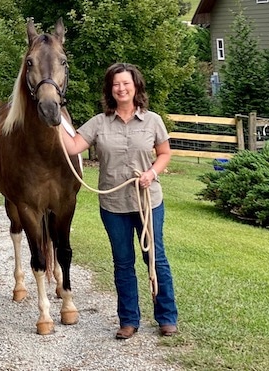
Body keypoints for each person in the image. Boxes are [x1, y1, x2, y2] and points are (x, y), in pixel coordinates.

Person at [61, 63, 178, 340]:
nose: (121, 88)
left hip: (147, 202)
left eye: (126, 83)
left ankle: (166, 317)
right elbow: (73, 146)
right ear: (110, 90)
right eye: (116, 84)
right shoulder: (99, 123)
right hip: (113, 205)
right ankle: (129, 320)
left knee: (155, 258)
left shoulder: (153, 121)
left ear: (135, 86)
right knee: (122, 262)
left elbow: (164, 153)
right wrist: (56, 119)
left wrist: (152, 172)